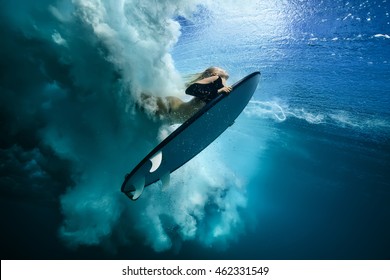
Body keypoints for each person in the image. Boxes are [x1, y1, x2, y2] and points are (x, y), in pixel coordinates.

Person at [141, 67, 232, 123]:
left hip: (173, 118)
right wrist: (218, 91)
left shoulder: (221, 90)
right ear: (214, 73)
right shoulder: (216, 78)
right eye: (221, 69)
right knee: (137, 98)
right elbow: (191, 89)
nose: (224, 69)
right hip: (170, 107)